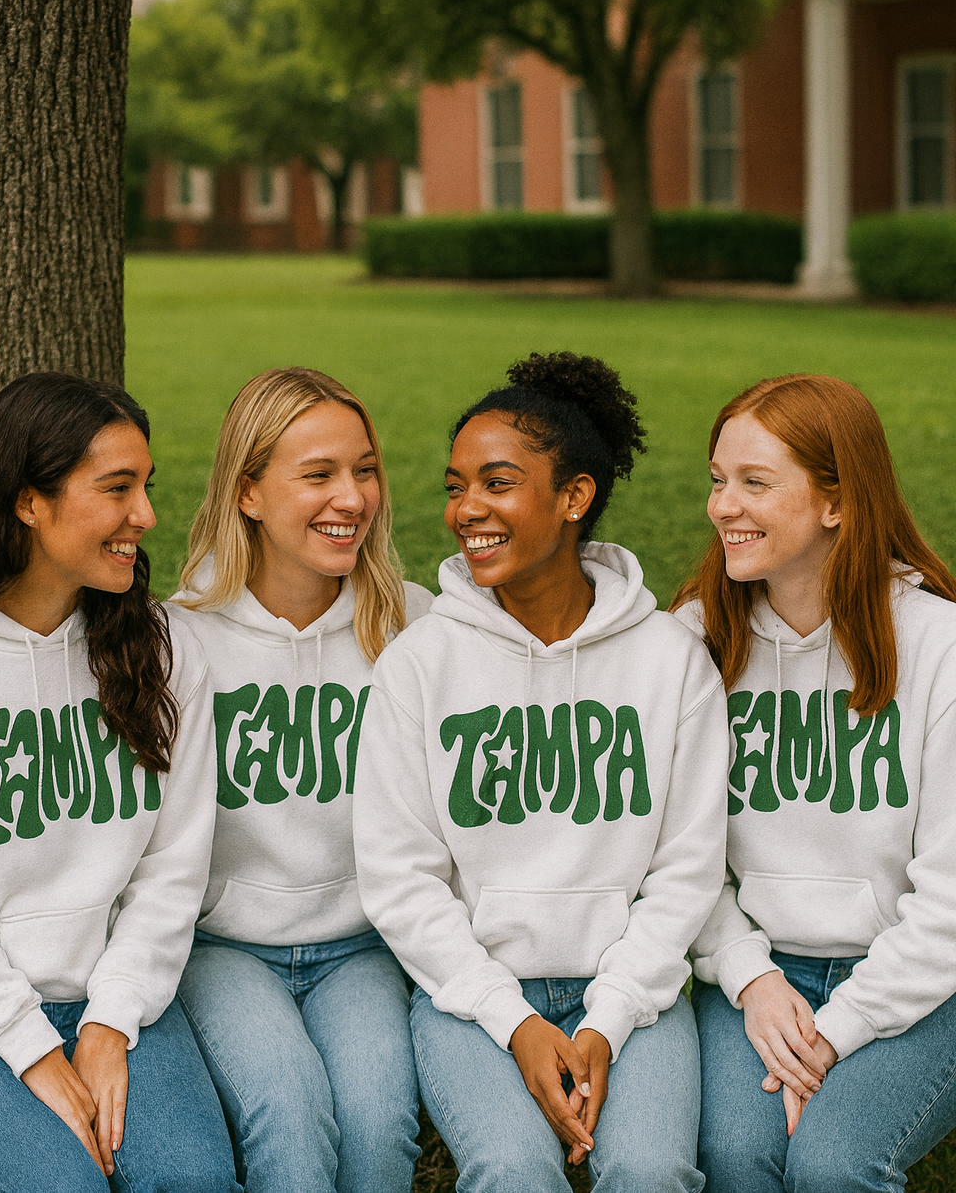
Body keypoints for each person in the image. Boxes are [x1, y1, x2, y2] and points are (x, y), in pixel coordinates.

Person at [352, 352, 729, 1193]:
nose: (466, 509)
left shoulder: (671, 662)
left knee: (652, 1170)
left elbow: (687, 871)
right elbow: (401, 878)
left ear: (573, 496)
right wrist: (513, 1019)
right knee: (513, 1171)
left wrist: (609, 1017)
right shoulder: (419, 665)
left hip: (635, 991)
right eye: (456, 486)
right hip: (472, 994)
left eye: (497, 483)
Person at [0, 373, 240, 1193]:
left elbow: (173, 867)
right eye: (116, 488)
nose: (145, 515)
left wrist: (111, 1018)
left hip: (115, 989)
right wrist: (29, 1044)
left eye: (146, 487)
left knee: (194, 1183)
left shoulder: (163, 650)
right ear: (28, 500)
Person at [671, 373, 956, 1193]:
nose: (724, 505)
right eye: (718, 479)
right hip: (757, 971)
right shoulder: (695, 639)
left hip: (918, 976)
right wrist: (751, 976)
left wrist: (837, 1031)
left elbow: (949, 899)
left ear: (837, 500)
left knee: (832, 1165)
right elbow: (676, 856)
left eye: (755, 482)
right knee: (737, 1157)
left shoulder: (937, 646)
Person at [169, 366, 432, 1193]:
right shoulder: (180, 637)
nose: (352, 497)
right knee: (287, 1111)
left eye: (365, 470)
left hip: (362, 944)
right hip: (223, 947)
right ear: (248, 492)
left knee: (378, 1126)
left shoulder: (413, 625)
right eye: (318, 474)